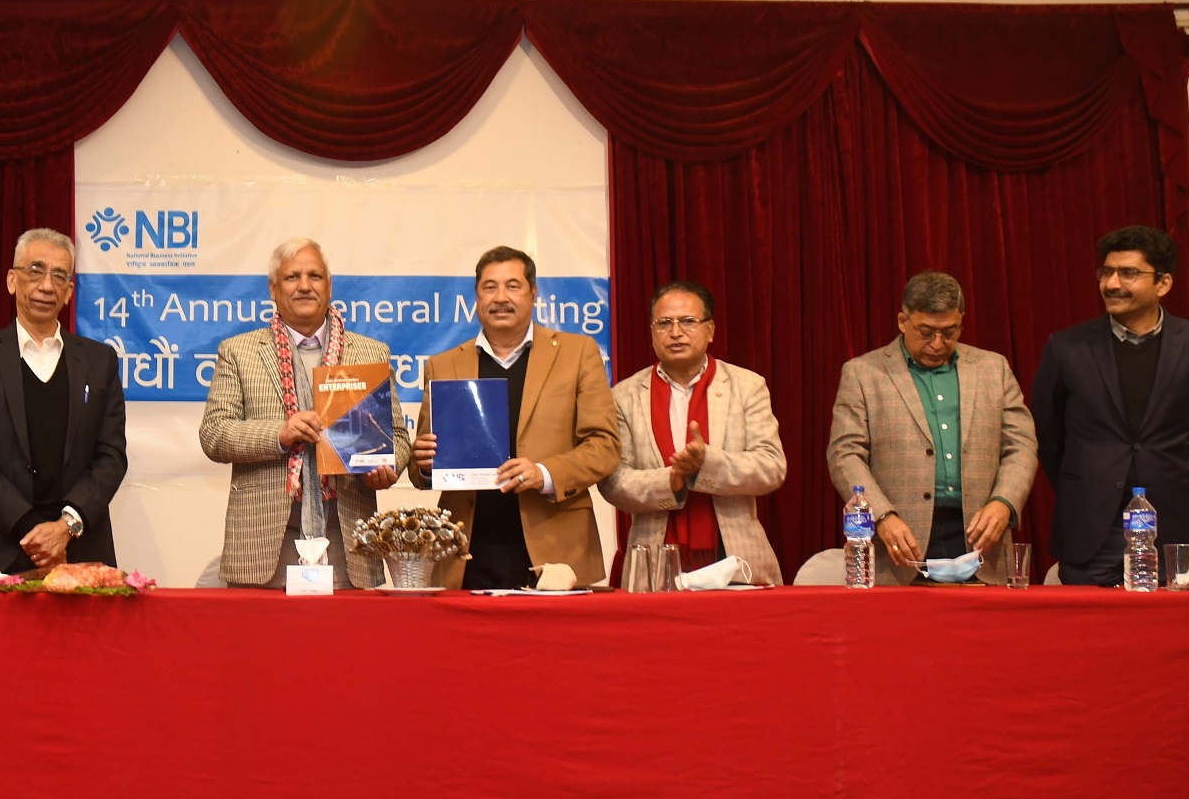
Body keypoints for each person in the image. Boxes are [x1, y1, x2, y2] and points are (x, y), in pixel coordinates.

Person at [200, 237, 409, 588]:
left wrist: (387, 467)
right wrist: (280, 433)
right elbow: (214, 434)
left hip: (348, 538)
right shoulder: (239, 352)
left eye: (314, 276)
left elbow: (398, 437)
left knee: (346, 627)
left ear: (329, 286)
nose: (304, 286)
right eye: (292, 277)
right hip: (263, 541)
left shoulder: (370, 353)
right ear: (273, 288)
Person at [411, 246, 621, 589]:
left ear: (533, 293)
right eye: (490, 287)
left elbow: (604, 445)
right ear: (476, 297)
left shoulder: (578, 353)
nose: (501, 298)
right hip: (466, 550)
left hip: (556, 549)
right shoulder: (443, 365)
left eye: (513, 286)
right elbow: (422, 467)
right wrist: (423, 464)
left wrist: (545, 473)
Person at [827, 271, 1037, 584]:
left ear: (961, 322)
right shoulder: (863, 373)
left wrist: (1004, 502)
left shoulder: (994, 368)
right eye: (926, 332)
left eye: (949, 332)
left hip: (982, 543)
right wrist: (881, 515)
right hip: (899, 546)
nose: (938, 344)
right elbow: (844, 453)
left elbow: (1021, 445)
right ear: (903, 321)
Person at [0, 228, 127, 574]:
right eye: (35, 271)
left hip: (78, 549)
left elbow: (112, 456)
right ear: (11, 281)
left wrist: (65, 528)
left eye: (59, 276)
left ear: (69, 292)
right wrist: (35, 532)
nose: (46, 286)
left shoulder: (99, 361)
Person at [1033, 226, 1189, 585]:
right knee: (1091, 621)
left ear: (1163, 283)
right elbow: (1048, 435)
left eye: (1128, 273)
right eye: (1106, 272)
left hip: (1179, 526)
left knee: (1177, 621)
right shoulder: (1067, 348)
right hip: (1092, 527)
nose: (1111, 284)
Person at [599, 281, 787, 590]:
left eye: (687, 321)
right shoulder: (624, 396)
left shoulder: (747, 386)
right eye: (664, 323)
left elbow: (771, 467)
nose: (675, 332)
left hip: (736, 558)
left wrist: (706, 464)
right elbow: (612, 482)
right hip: (653, 561)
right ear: (651, 332)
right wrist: (671, 480)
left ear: (710, 330)